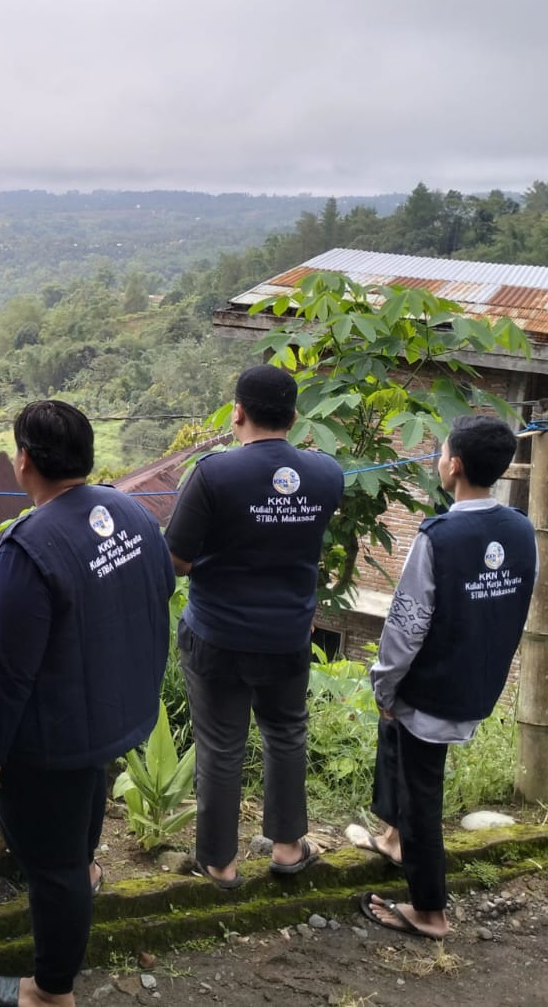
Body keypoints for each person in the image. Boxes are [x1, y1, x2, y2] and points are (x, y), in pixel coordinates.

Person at [0, 400, 175, 1007]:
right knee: (79, 830)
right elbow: (159, 590)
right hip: (112, 715)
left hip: (50, 739)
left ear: (23, 461)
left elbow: (6, 668)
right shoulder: (131, 512)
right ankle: (85, 877)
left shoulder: (29, 545)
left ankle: (49, 991)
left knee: (51, 868)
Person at [356, 414, 537, 939]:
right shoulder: (522, 530)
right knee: (397, 744)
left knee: (422, 795)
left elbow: (407, 624)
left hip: (431, 689)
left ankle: (429, 911)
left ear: (453, 466)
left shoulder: (438, 536)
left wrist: (384, 683)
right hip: (475, 682)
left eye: (440, 453)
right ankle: (392, 838)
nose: (437, 460)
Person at [164, 365, 345, 887]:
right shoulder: (326, 473)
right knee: (286, 733)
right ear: (294, 416)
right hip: (288, 634)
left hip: (218, 635)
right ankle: (288, 849)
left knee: (221, 746)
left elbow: (176, 558)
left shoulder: (213, 474)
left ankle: (219, 864)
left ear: (237, 411)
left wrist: (218, 559)